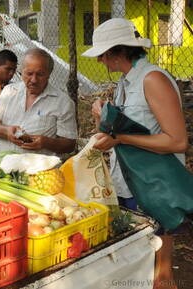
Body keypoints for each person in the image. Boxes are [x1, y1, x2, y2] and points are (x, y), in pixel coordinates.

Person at [82, 18, 189, 289]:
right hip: (130, 183)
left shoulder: (152, 79)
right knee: (139, 271)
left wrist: (119, 138)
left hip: (153, 188)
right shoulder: (125, 83)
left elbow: (177, 141)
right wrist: (103, 117)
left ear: (120, 51)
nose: (100, 61)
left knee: (159, 277)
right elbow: (124, 131)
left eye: (103, 54)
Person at [0, 48, 77, 156]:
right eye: (29, 74)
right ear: (21, 72)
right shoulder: (9, 92)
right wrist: (7, 131)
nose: (34, 80)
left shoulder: (63, 102)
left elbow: (70, 144)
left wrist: (46, 143)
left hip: (41, 171)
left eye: (40, 74)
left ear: (49, 74)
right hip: (5, 169)